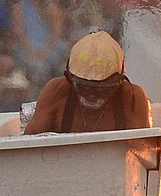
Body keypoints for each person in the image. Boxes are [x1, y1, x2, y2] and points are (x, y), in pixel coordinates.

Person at [23, 30, 151, 135]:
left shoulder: (132, 97)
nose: (92, 96)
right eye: (84, 87)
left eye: (102, 89)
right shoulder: (57, 91)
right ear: (70, 78)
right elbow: (28, 146)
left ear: (119, 83)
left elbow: (144, 152)